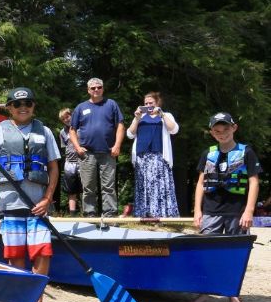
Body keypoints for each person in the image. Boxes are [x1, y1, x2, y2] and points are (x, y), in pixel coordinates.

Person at [0, 87, 60, 302]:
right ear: (9, 108)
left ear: (33, 106)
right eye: (17, 104)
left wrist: (47, 199)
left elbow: (53, 168)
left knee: (42, 253)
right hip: (10, 204)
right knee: (16, 255)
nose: (23, 108)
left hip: (37, 204)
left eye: (28, 103)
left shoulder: (45, 131)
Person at [190, 112, 262, 302]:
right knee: (207, 252)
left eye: (225, 129)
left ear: (234, 128)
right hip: (211, 211)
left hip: (237, 212)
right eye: (217, 131)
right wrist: (198, 210)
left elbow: (254, 182)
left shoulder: (246, 152)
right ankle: (205, 291)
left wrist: (249, 211)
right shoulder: (208, 153)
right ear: (212, 132)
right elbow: (200, 182)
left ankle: (233, 294)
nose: (222, 134)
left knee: (235, 255)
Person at [69, 78, 124, 216]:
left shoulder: (111, 104)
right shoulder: (81, 107)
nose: (96, 90)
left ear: (103, 89)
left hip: (108, 152)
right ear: (88, 90)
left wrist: (117, 145)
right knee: (88, 187)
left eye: (99, 87)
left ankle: (110, 215)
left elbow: (121, 125)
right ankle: (90, 215)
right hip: (87, 153)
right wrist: (77, 147)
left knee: (109, 186)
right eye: (93, 88)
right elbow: (72, 130)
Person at [127, 92, 179, 218]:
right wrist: (137, 118)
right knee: (144, 184)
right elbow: (130, 134)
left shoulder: (165, 115)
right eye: (146, 104)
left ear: (157, 103)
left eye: (151, 103)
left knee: (158, 184)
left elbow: (174, 129)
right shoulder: (140, 117)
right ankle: (143, 213)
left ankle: (161, 213)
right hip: (142, 157)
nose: (148, 105)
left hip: (159, 156)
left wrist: (161, 114)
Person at [57, 108, 81, 216]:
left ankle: (88, 213)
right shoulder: (62, 132)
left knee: (86, 188)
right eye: (63, 119)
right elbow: (64, 147)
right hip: (69, 162)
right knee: (71, 190)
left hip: (83, 160)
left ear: (72, 115)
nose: (66, 120)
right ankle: (72, 214)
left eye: (67, 117)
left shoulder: (81, 127)